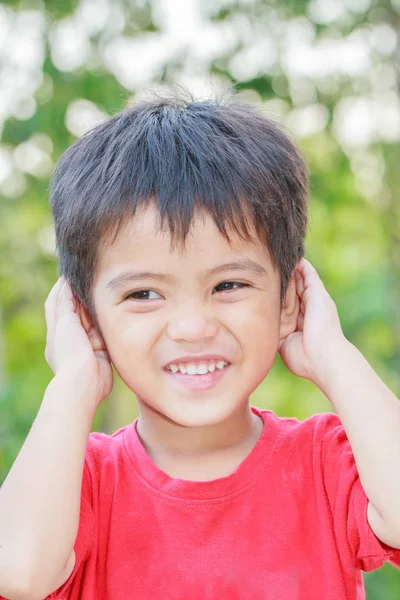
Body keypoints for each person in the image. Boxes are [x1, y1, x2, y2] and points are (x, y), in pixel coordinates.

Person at [0, 88, 399, 600]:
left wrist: (333, 355)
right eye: (144, 293)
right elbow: (17, 571)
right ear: (86, 317)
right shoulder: (80, 485)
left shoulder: (323, 462)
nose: (192, 326)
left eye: (228, 286)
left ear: (288, 300)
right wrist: (74, 381)